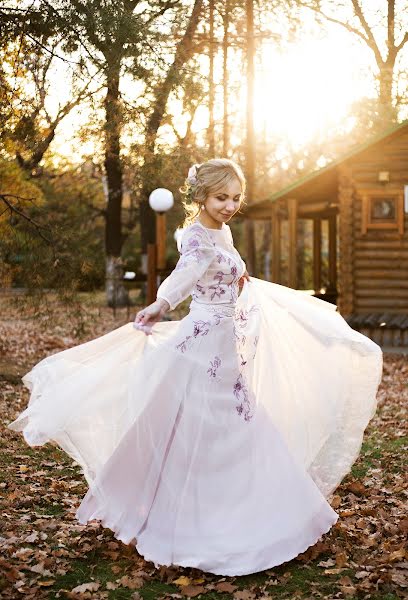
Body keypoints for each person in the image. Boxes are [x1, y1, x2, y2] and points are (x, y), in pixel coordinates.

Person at [7, 158, 383, 577]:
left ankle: (253, 507)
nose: (229, 205)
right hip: (203, 341)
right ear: (201, 196)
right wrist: (160, 304)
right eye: (222, 197)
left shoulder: (223, 231)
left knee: (235, 417)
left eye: (236, 198)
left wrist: (241, 286)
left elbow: (228, 274)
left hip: (225, 338)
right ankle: (179, 514)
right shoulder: (197, 237)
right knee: (196, 420)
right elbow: (184, 277)